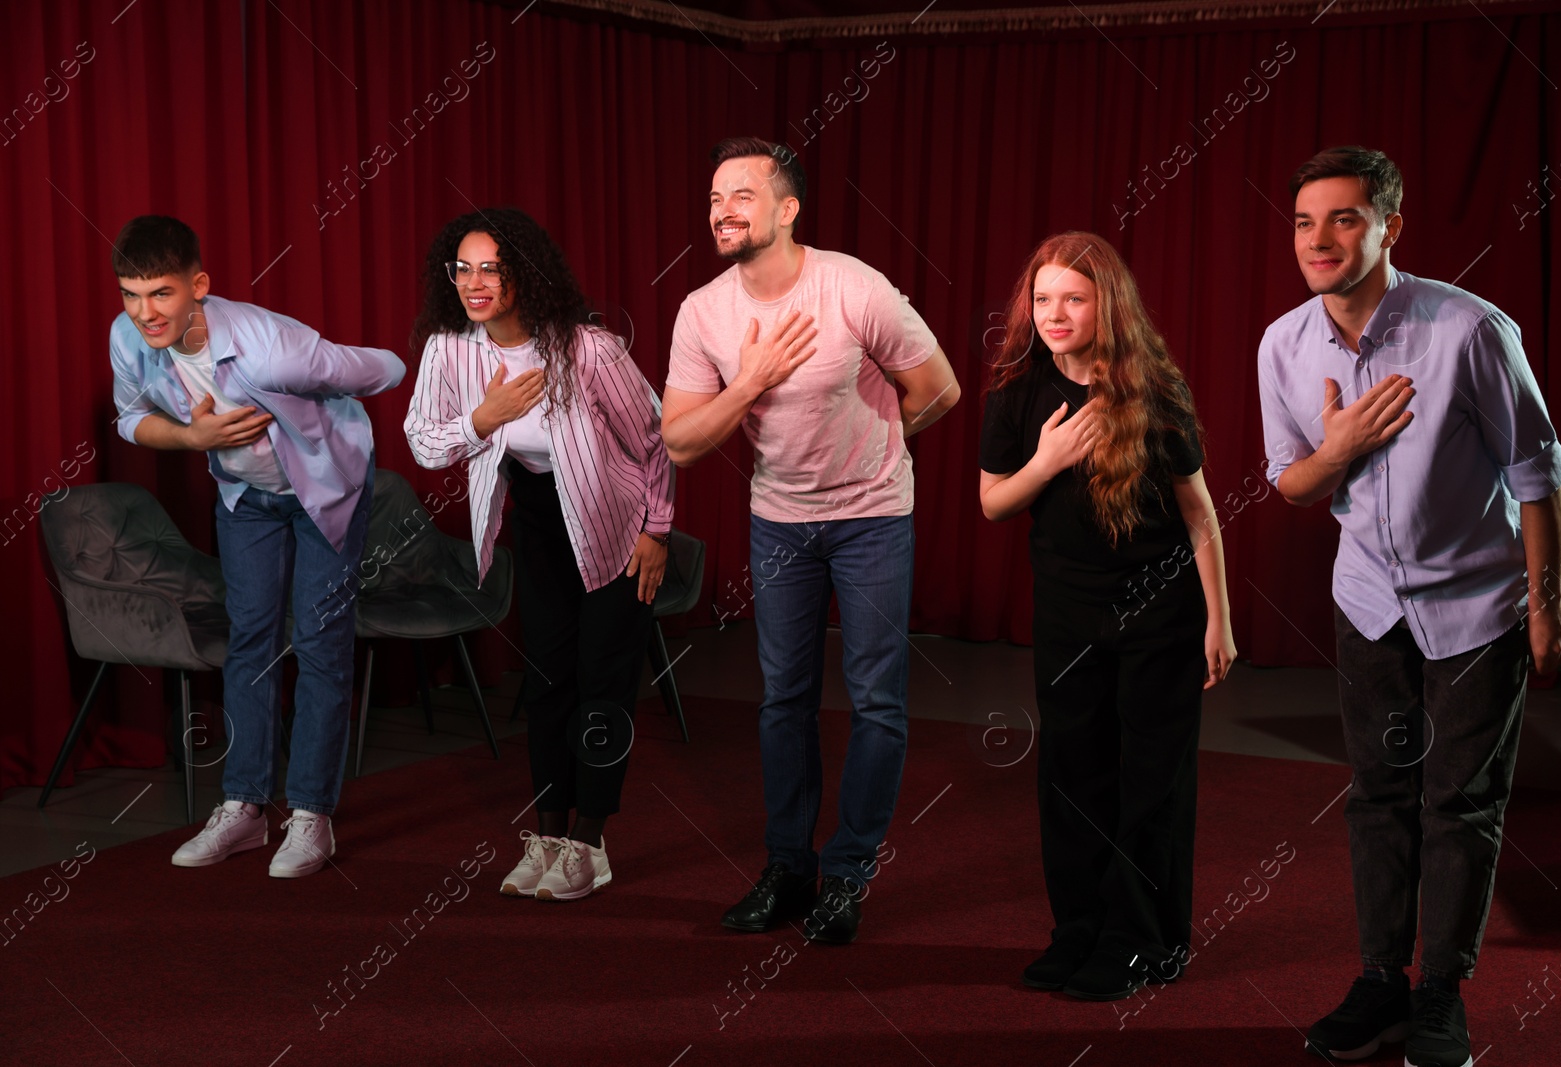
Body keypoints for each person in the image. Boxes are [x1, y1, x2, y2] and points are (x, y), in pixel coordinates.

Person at [1257, 146, 1561, 1067]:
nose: (1320, 239)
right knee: (1380, 796)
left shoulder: (1469, 330)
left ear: (1392, 227)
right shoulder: (1284, 342)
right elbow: (1293, 485)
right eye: (1306, 221)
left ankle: (1441, 993)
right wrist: (1341, 445)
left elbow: (1536, 475)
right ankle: (1380, 980)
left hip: (1478, 609)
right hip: (1368, 606)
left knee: (1460, 801)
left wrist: (1546, 607)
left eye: (1345, 218)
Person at [662, 136, 959, 944]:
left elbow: (938, 391)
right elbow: (683, 442)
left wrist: (883, 451)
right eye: (716, 196)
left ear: (788, 209)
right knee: (783, 702)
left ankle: (849, 873)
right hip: (780, 523)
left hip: (871, 520)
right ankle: (789, 867)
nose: (723, 209)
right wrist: (751, 383)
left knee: (876, 702)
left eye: (742, 195)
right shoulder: (704, 311)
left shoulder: (853, 287)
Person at [978, 231, 1235, 1001]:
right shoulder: (1015, 393)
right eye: (1043, 297)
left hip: (1160, 616)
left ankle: (1143, 940)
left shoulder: (1154, 392)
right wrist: (1047, 462)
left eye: (1074, 298)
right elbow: (993, 502)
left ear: (1107, 305)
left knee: (1149, 780)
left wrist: (1218, 620)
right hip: (1068, 616)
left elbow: (1201, 518)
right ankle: (1080, 929)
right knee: (1073, 774)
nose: (1054, 313)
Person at [109, 215, 405, 878]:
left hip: (325, 487)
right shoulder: (128, 340)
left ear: (199, 286)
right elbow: (129, 418)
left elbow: (382, 368)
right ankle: (244, 805)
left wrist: (346, 384)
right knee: (251, 640)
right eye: (130, 294)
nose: (143, 312)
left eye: (159, 293)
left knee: (323, 642)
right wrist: (191, 439)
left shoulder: (275, 350)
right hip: (247, 498)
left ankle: (311, 815)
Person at [405, 207, 674, 902]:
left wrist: (658, 529)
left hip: (615, 527)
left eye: (491, 267)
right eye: (462, 268)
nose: (475, 282)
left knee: (601, 681)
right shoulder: (451, 350)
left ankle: (590, 841)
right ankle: (549, 835)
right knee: (549, 678)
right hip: (537, 521)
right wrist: (481, 420)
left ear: (525, 272)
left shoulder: (589, 349)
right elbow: (425, 442)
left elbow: (654, 438)